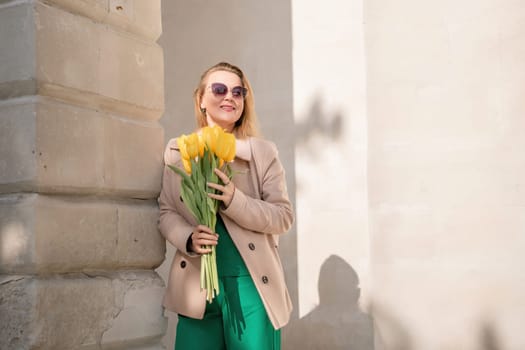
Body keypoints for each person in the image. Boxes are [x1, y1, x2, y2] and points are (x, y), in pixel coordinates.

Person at [158, 62, 294, 350]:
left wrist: (235, 201)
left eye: (238, 91)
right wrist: (189, 238)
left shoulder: (261, 153)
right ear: (201, 100)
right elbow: (166, 211)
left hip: (252, 285)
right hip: (197, 285)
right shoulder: (178, 150)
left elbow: (283, 216)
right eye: (219, 89)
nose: (229, 97)